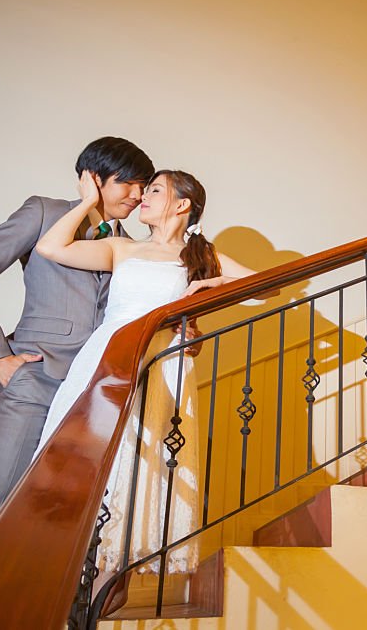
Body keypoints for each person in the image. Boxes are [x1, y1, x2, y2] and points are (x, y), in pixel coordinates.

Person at [0, 137, 154, 588]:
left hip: (95, 398)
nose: (138, 196)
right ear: (94, 179)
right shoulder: (44, 213)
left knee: (60, 519)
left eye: (144, 188)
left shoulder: (133, 248)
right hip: (35, 383)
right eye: (130, 184)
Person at [33, 168, 255, 577]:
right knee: (92, 448)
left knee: (140, 458)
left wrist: (214, 283)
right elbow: (51, 246)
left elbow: (270, 286)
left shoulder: (202, 257)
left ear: (182, 204)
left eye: (154, 190)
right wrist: (87, 202)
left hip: (162, 363)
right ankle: (70, 564)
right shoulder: (122, 248)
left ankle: (114, 568)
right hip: (108, 354)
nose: (141, 197)